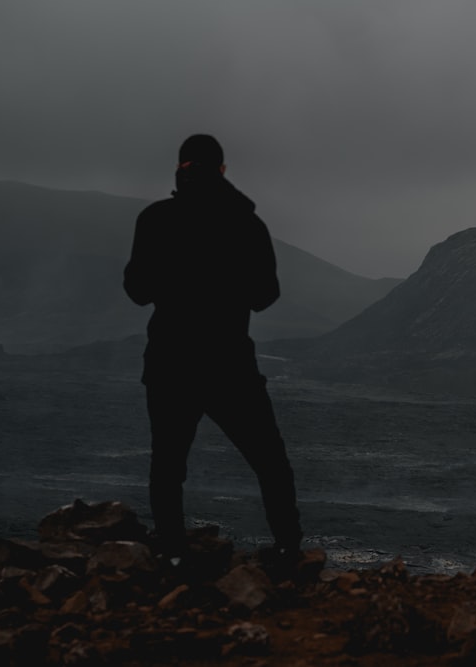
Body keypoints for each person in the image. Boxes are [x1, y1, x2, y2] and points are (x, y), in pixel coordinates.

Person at [124, 134, 302, 565]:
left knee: (168, 463)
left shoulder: (156, 219)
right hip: (229, 362)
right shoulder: (247, 224)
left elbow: (137, 290)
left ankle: (171, 551)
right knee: (269, 459)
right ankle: (288, 546)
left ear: (181, 168)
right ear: (222, 171)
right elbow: (265, 295)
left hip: (170, 359)